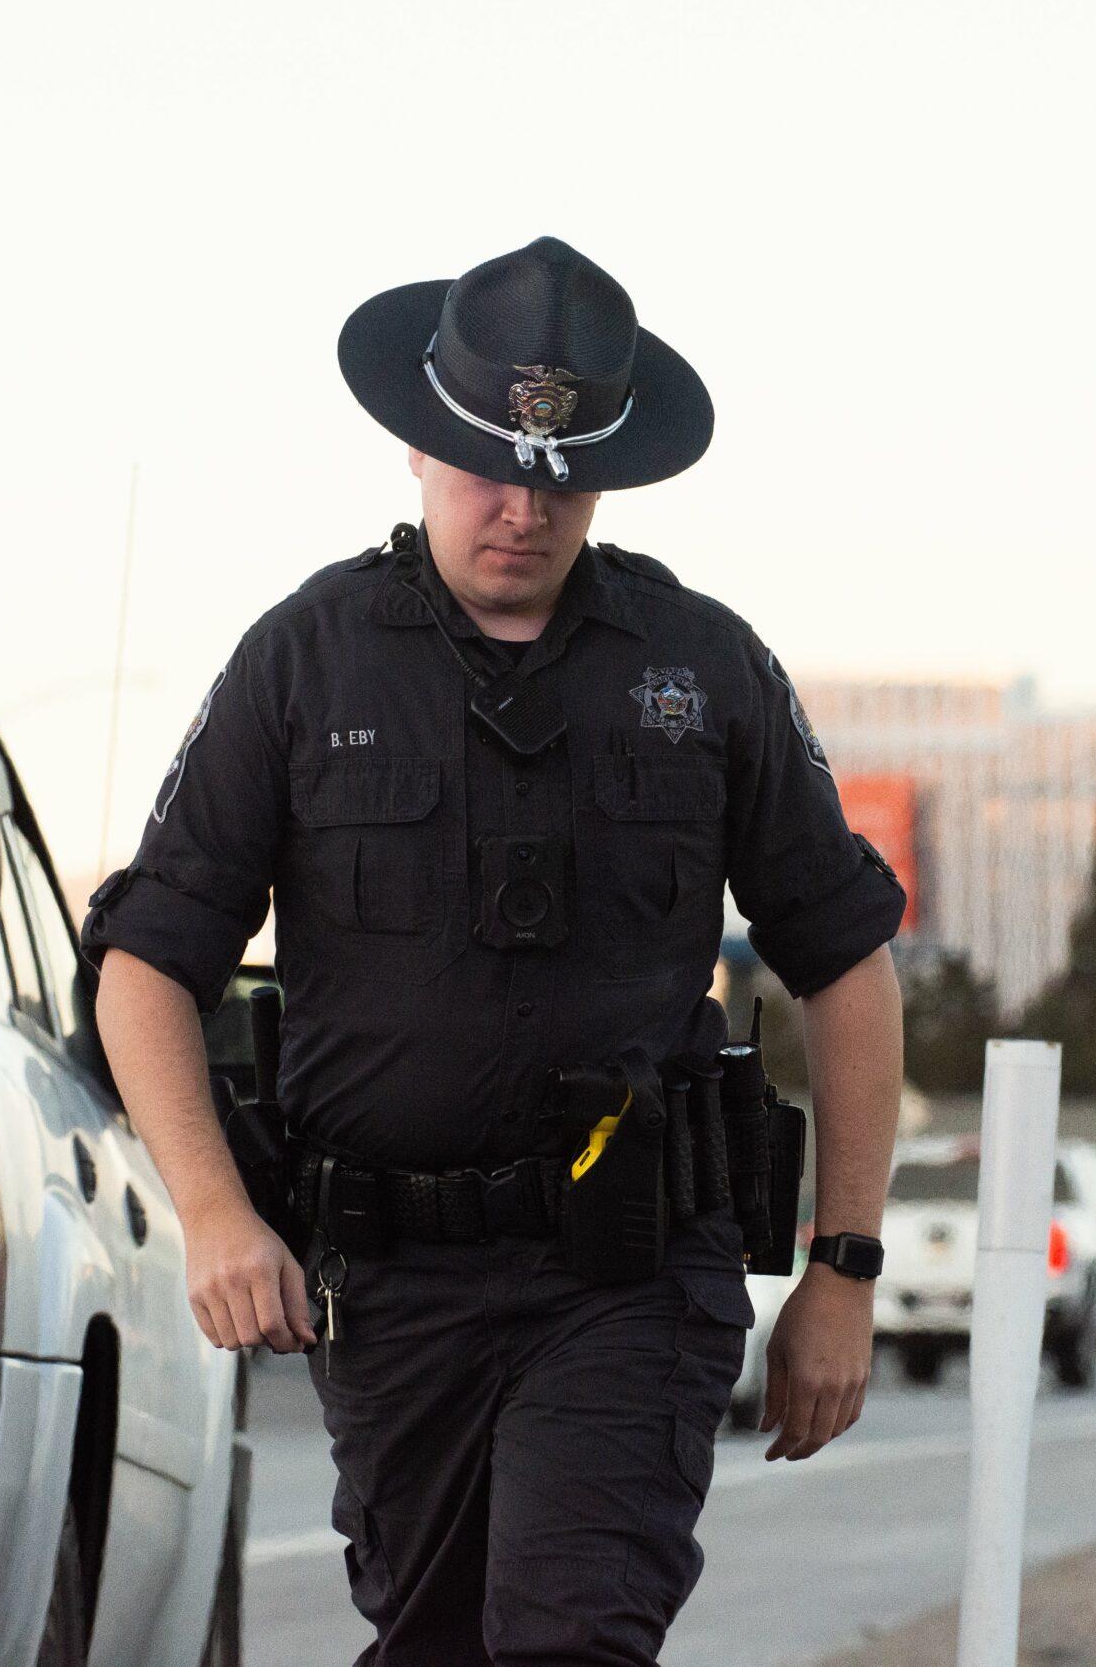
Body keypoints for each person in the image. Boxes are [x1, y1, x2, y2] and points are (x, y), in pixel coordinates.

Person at [84, 236, 906, 1667]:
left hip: (630, 1279)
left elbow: (846, 962)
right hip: (392, 1294)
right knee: (439, 1643)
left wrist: (843, 1266)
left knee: (566, 1634)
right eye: (488, 466)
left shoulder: (701, 668)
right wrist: (216, 1213)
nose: (523, 508)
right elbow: (146, 964)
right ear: (417, 444)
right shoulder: (304, 660)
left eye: (562, 474)